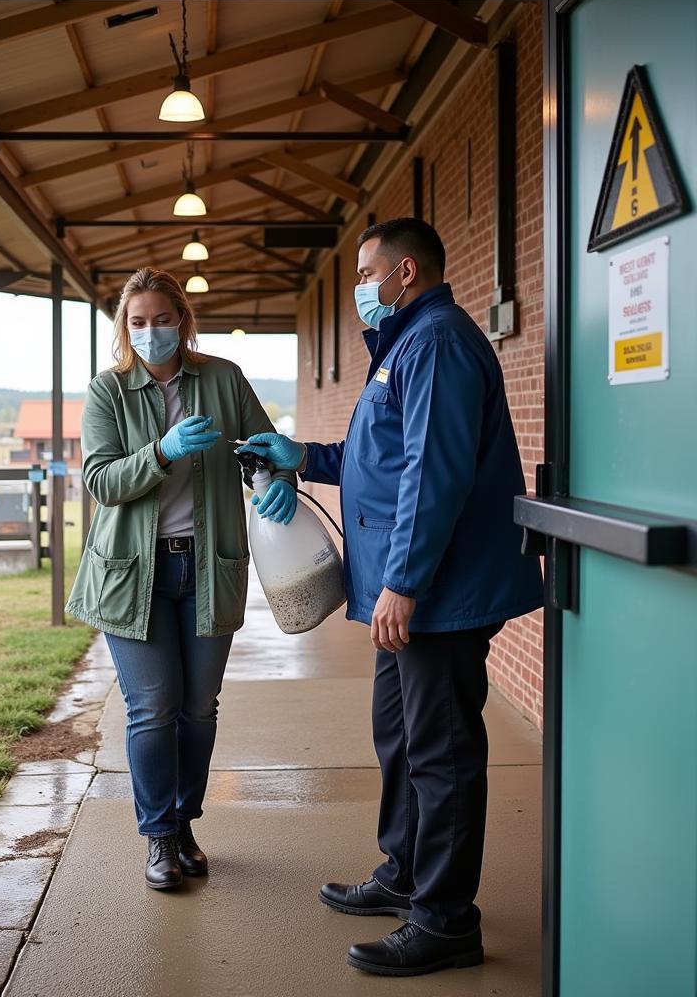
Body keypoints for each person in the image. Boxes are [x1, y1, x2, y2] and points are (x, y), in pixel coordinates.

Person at [238, 218, 543, 977]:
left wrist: (404, 583)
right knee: (399, 739)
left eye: (365, 275)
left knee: (439, 753)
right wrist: (302, 455)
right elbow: (380, 460)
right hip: (406, 590)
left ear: (405, 272)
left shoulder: (435, 342)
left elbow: (432, 478)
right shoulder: (405, 345)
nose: (357, 293)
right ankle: (405, 874)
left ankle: (444, 921)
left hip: (436, 593)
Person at [66, 267, 297, 890]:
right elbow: (100, 483)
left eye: (162, 319)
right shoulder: (106, 392)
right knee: (152, 708)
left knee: (198, 708)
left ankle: (185, 822)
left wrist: (276, 479)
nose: (151, 332)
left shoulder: (222, 378)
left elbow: (264, 449)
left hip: (206, 564)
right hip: (132, 572)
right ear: (124, 327)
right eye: (137, 322)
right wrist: (162, 452)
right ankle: (158, 838)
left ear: (182, 321)